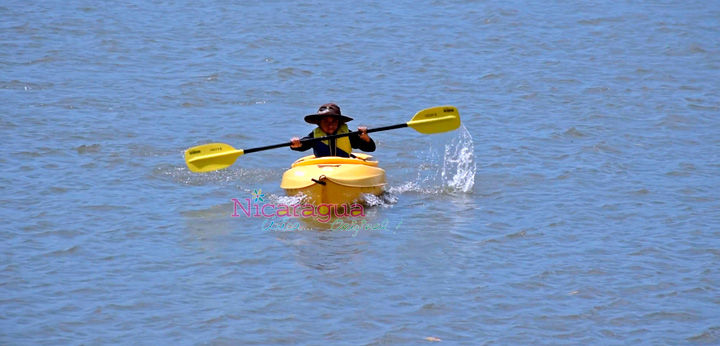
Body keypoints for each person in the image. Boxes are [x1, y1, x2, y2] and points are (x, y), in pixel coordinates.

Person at [290, 103, 376, 157]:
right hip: (321, 167)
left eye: (334, 122)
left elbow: (370, 148)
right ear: (319, 123)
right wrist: (297, 144)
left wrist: (365, 137)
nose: (330, 125)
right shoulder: (314, 135)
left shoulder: (348, 135)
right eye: (325, 122)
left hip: (344, 166)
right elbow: (304, 144)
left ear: (339, 123)